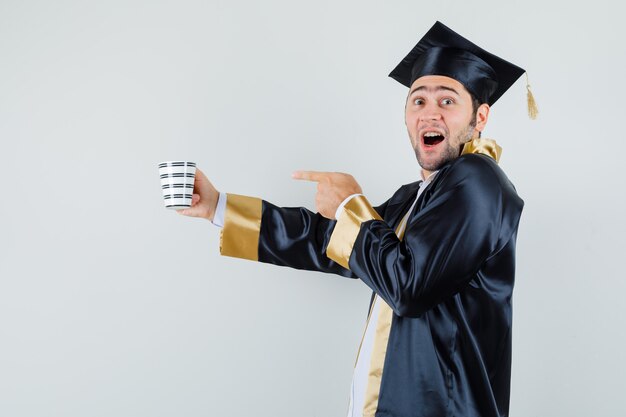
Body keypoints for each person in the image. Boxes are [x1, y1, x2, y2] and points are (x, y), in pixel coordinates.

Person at [178, 21, 526, 417]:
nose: (429, 114)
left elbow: (409, 287)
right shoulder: (416, 197)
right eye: (418, 101)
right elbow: (328, 244)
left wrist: (350, 206)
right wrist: (219, 207)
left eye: (447, 101)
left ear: (480, 118)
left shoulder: (478, 180)